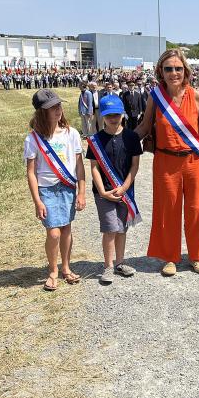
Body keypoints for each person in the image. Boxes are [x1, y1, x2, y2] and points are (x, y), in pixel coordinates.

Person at [136, 48, 199, 277]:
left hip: (194, 161)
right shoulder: (155, 96)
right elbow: (143, 126)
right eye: (168, 68)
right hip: (165, 162)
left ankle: (196, 255)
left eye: (178, 68)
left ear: (185, 70)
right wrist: (121, 142)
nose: (174, 73)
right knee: (168, 210)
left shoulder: (197, 96)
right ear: (161, 71)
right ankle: (170, 257)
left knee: (196, 208)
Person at [24, 89, 86, 291]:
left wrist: (82, 191)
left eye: (59, 105)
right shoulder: (33, 139)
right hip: (47, 190)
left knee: (66, 229)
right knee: (54, 233)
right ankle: (52, 271)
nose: (58, 110)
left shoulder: (72, 133)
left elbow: (79, 165)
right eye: (52, 108)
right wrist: (37, 201)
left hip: (67, 187)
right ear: (42, 112)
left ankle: (66, 268)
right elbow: (31, 172)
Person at [86, 94, 141, 284]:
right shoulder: (96, 140)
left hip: (124, 192)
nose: (113, 119)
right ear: (102, 116)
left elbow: (135, 165)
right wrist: (102, 191)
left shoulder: (132, 137)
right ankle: (108, 266)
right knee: (110, 229)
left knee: (121, 229)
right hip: (104, 194)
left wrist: (125, 186)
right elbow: (94, 167)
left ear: (123, 115)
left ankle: (120, 263)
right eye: (109, 115)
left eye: (116, 115)